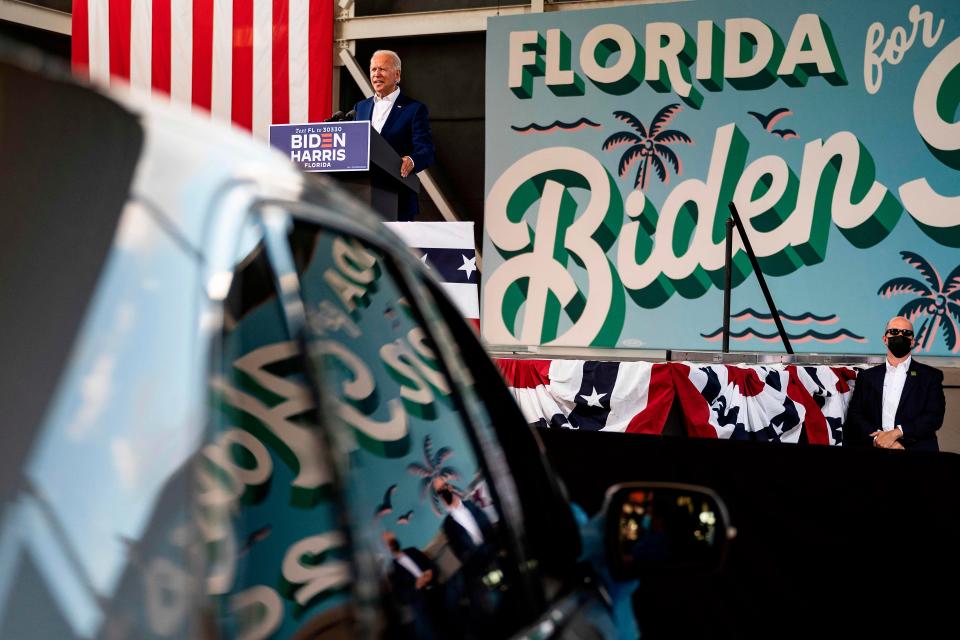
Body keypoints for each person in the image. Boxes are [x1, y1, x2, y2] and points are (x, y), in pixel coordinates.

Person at [353, 50, 435, 221]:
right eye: (373, 69)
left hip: (398, 199)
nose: (376, 74)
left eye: (382, 69)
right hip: (362, 199)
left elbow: (426, 151)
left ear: (397, 75)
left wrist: (412, 161)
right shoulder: (360, 107)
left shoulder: (414, 109)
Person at [843, 316, 945, 451]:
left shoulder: (930, 376)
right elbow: (855, 415)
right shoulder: (867, 377)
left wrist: (897, 433)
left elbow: (934, 416)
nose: (900, 335)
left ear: (912, 341)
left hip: (917, 450)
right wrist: (878, 440)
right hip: (874, 448)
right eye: (894, 332)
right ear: (885, 339)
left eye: (906, 333)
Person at [382, 531, 441, 639]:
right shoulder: (392, 570)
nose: (391, 541)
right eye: (387, 541)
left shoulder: (413, 551)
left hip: (436, 589)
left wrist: (430, 572)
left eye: (391, 537)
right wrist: (416, 586)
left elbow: (434, 567)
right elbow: (401, 597)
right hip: (419, 601)